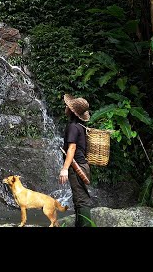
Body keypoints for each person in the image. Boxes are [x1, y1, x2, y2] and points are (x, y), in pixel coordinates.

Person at [58, 94, 94, 227]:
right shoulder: (80, 126)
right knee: (79, 199)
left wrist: (65, 169)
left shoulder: (73, 126)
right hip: (82, 165)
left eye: (68, 106)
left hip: (77, 167)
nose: (66, 107)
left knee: (81, 200)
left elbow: (72, 148)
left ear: (71, 111)